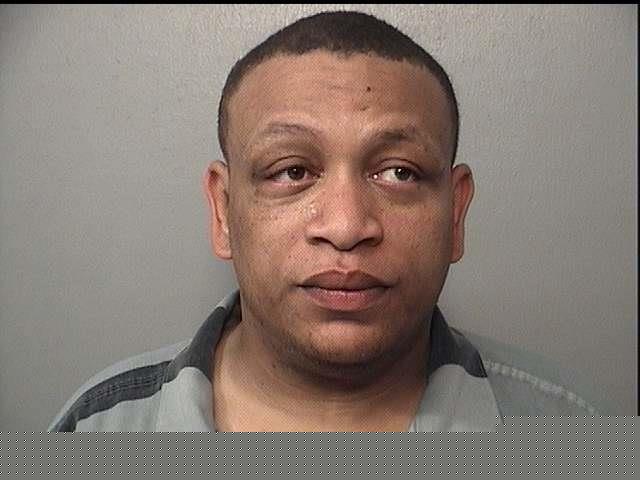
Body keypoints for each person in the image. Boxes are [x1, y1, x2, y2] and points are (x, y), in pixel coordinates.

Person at [48, 10, 600, 432]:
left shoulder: (573, 434)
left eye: (399, 172)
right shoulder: (94, 431)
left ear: (455, 214)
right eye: (292, 172)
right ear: (223, 212)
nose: (346, 226)